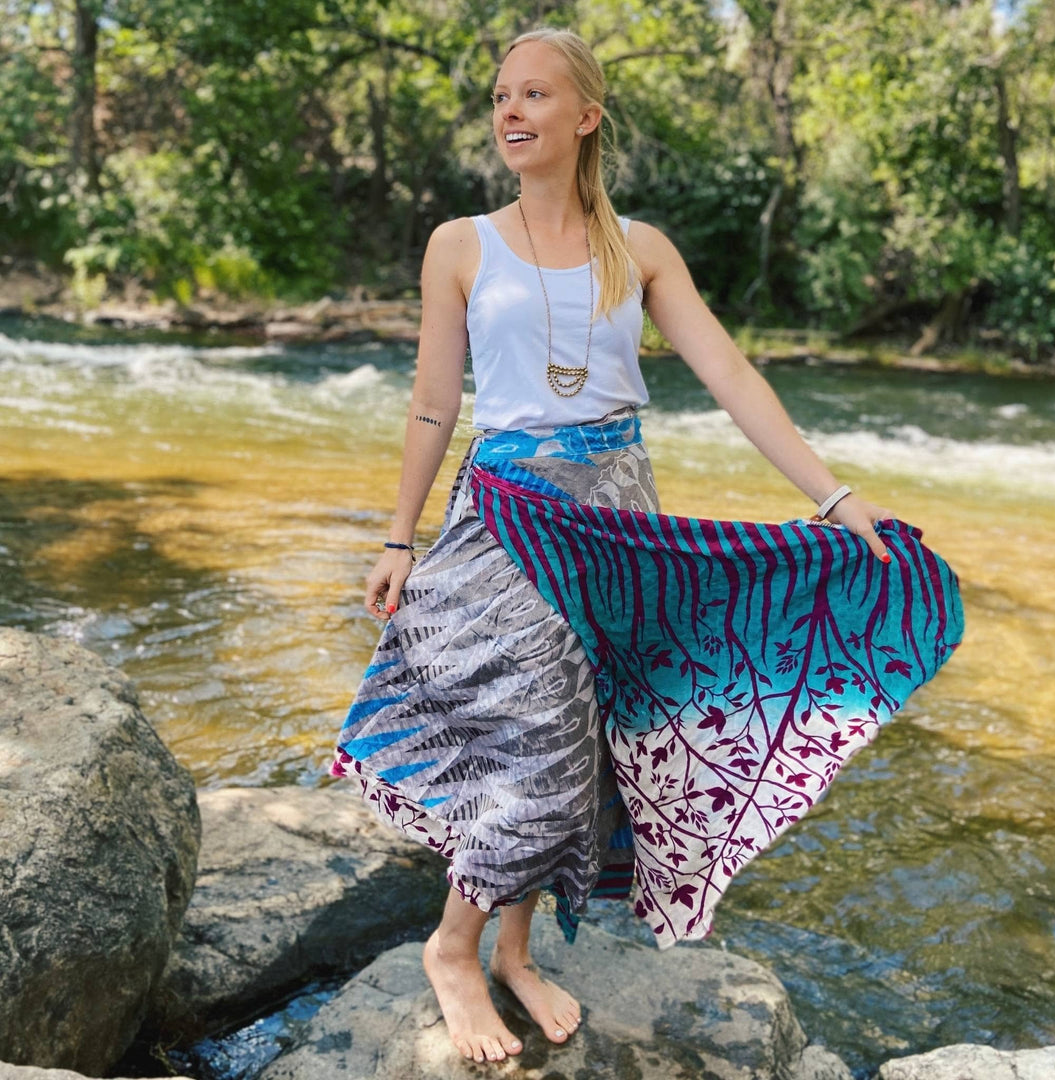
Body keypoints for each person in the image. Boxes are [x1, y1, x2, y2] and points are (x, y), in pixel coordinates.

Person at [329, 26, 962, 1067]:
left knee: (587, 737)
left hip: (621, 521)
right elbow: (434, 407)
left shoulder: (643, 248)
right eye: (501, 95)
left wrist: (834, 495)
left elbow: (734, 379)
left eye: (535, 93)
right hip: (509, 514)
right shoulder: (460, 244)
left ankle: (518, 952)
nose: (511, 111)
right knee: (532, 733)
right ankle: (454, 948)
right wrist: (398, 536)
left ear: (586, 117)